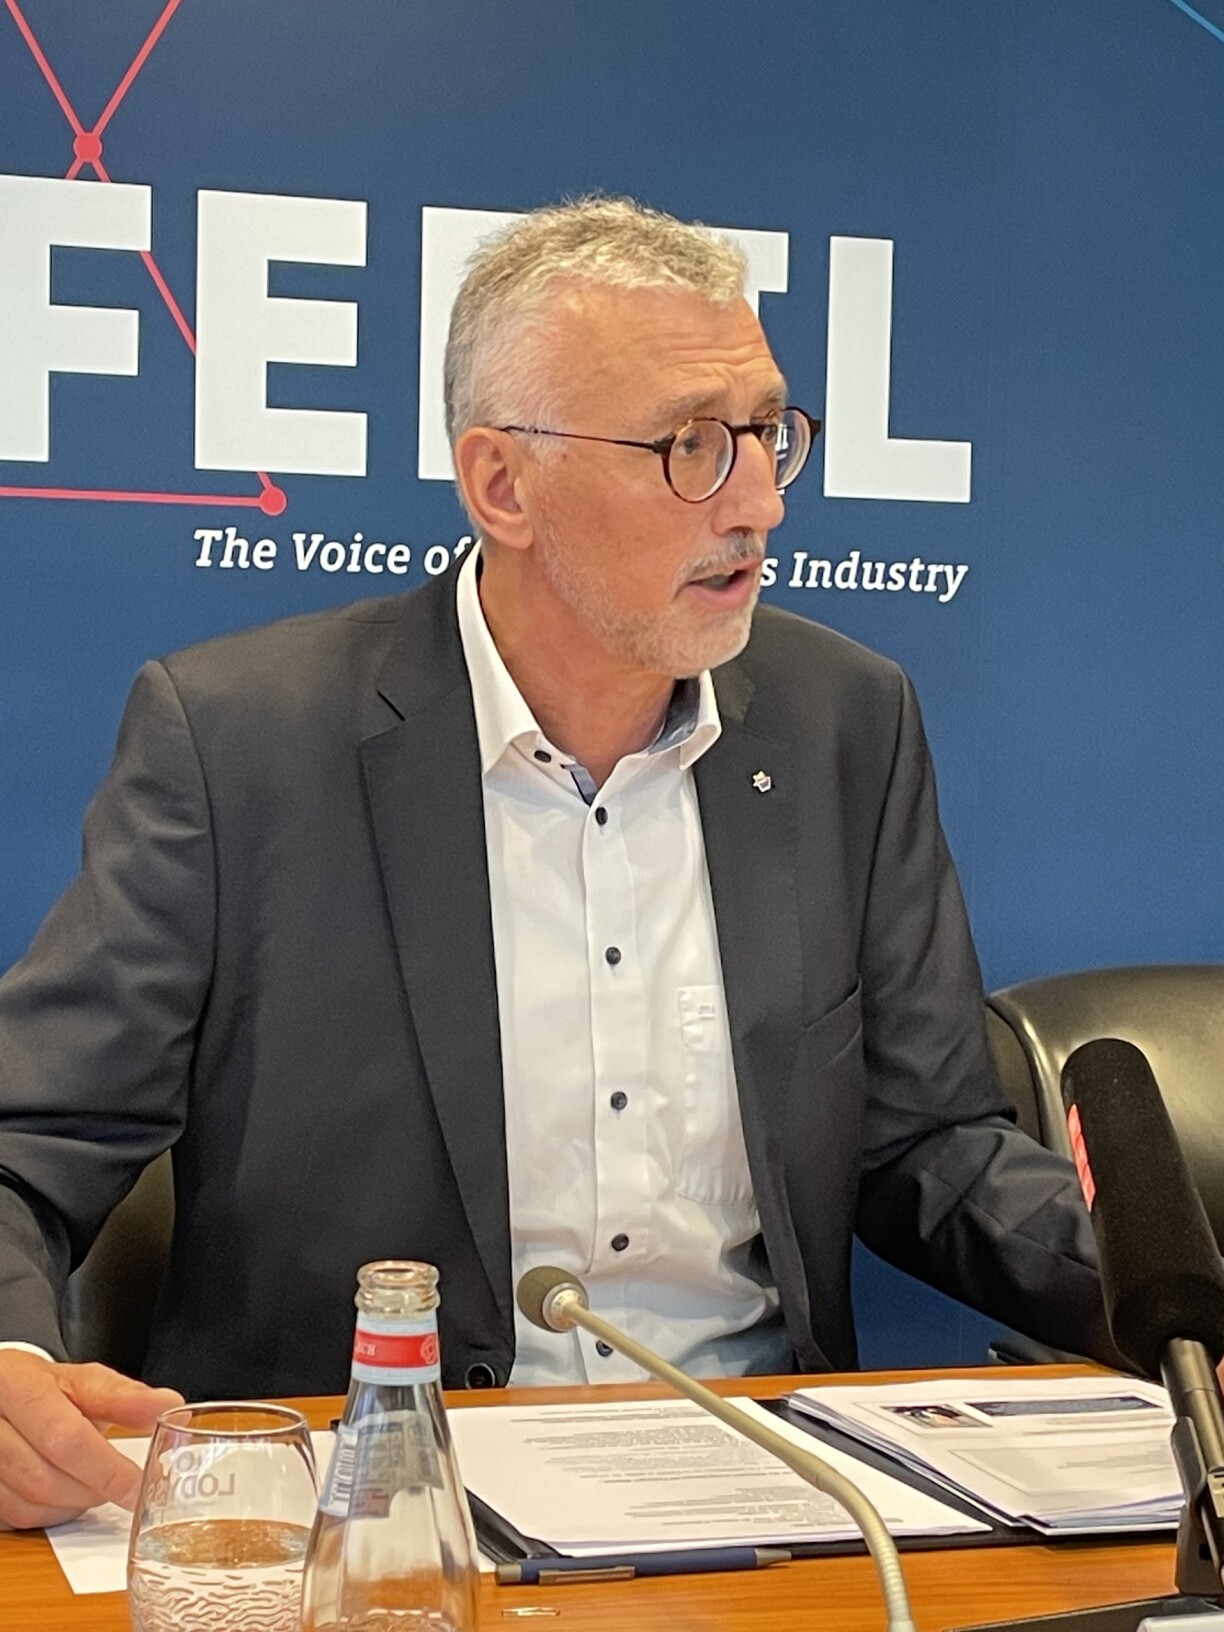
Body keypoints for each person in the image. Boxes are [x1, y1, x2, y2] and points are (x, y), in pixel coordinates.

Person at [0, 197, 1115, 1530]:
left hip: (770, 1497)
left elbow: (930, 1142)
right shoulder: (243, 743)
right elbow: (29, 1134)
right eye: (691, 446)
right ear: (503, 485)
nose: (760, 502)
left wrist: (1181, 1299)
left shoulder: (845, 721)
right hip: (364, 1510)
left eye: (769, 433)